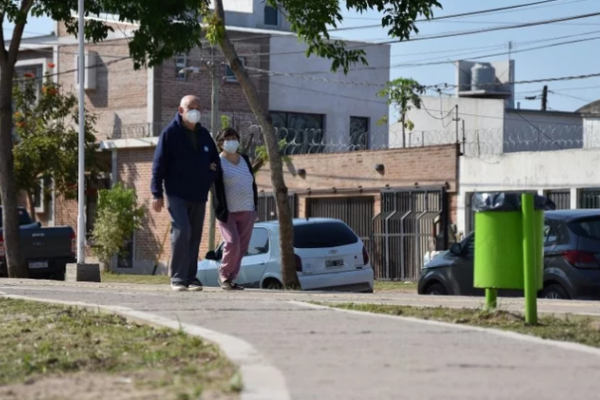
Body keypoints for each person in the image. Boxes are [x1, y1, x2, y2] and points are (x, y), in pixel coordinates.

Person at [151, 95, 220, 292]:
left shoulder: (205, 135)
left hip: (198, 194)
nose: (195, 111)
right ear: (180, 110)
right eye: (191, 107)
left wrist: (209, 175)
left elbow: (215, 162)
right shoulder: (170, 134)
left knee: (195, 236)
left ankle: (190, 277)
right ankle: (178, 278)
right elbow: (158, 165)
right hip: (176, 193)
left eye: (199, 107)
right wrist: (157, 193)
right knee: (182, 231)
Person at [212, 127, 258, 291]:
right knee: (232, 243)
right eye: (228, 139)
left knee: (243, 247)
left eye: (234, 138)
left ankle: (231, 279)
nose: (232, 142)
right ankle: (223, 274)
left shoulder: (245, 159)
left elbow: (252, 183)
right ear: (220, 143)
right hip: (228, 212)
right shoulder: (217, 162)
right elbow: (215, 187)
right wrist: (219, 210)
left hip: (247, 210)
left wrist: (255, 207)